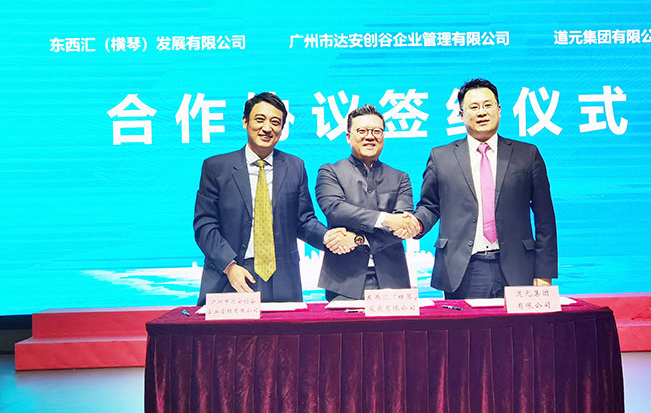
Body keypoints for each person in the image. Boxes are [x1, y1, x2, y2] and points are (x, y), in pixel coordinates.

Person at [397, 78, 558, 299]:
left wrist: (544, 272)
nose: (481, 112)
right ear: (461, 115)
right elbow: (430, 205)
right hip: (462, 269)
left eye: (487, 105)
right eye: (473, 107)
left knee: (519, 324)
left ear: (499, 110)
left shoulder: (527, 155)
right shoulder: (441, 157)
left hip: (518, 267)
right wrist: (417, 224)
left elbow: (544, 217)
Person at [193, 92, 351, 304]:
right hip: (231, 274)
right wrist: (229, 266)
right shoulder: (216, 167)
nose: (267, 128)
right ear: (245, 122)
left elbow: (304, 221)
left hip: (283, 277)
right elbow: (205, 225)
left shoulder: (295, 166)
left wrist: (327, 237)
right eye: (260, 119)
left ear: (282, 129)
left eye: (275, 122)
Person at [315, 104, 415, 300]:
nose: (370, 137)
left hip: (393, 281)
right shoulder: (330, 172)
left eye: (376, 131)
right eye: (362, 131)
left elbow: (402, 226)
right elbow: (336, 210)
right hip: (343, 281)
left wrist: (358, 239)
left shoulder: (400, 177)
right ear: (348, 136)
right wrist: (386, 219)